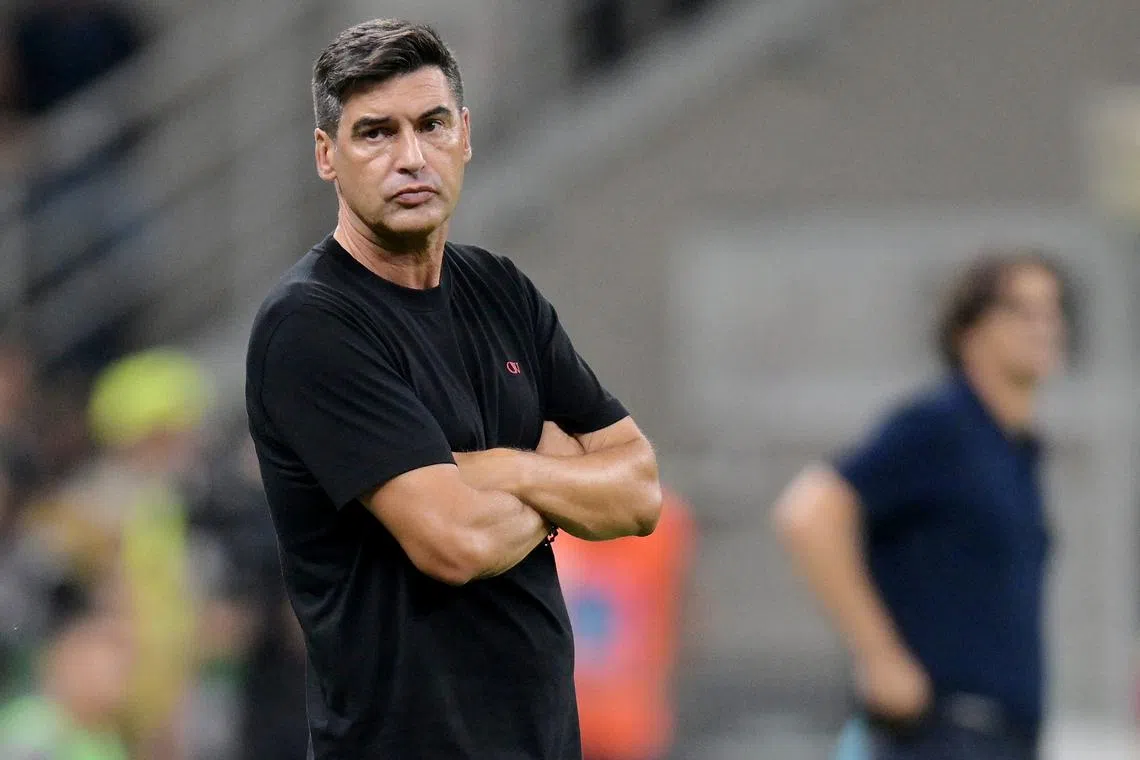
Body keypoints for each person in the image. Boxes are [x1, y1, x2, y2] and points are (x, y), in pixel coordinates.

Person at [244, 19, 663, 760]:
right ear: (326, 157)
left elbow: (639, 495)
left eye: (431, 124)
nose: (411, 158)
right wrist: (563, 478)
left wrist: (501, 470)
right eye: (376, 134)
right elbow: (456, 542)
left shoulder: (501, 290)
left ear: (464, 134)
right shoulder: (312, 324)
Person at [772, 249, 1068, 760]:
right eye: (1021, 311)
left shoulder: (1014, 447)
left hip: (1006, 736)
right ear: (968, 330)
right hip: (942, 732)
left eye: (1052, 311)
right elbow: (810, 512)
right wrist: (878, 655)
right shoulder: (943, 426)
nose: (1044, 327)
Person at [553, 488, 695, 760]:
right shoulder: (547, 519)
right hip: (567, 722)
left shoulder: (667, 522)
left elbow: (680, 614)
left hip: (629, 724)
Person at [0, 607, 133, 760]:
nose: (116, 681)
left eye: (123, 669)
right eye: (105, 667)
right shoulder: (31, 729)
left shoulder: (105, 739)